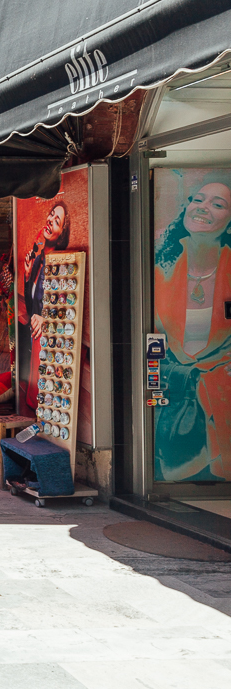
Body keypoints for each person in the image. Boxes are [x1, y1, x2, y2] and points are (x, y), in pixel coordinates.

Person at [154, 176, 231, 481]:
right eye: (198, 200)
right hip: (176, 404)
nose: (203, 207)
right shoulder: (160, 268)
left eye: (218, 204)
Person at [18, 201, 72, 411]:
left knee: (42, 399)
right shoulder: (39, 260)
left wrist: (46, 318)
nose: (50, 220)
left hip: (50, 342)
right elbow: (32, 305)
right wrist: (27, 275)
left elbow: (64, 306)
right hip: (36, 339)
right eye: (51, 215)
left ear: (62, 233)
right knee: (34, 399)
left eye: (57, 221)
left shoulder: (59, 263)